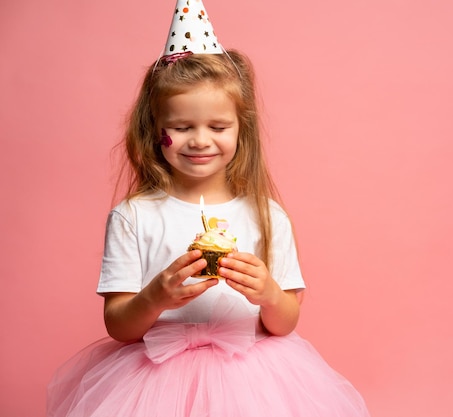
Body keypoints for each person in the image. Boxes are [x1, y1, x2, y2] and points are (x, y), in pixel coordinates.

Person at [46, 1, 370, 416]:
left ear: (241, 129)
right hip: (154, 383)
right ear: (156, 130)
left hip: (253, 382)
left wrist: (268, 293)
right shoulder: (134, 216)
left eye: (218, 127)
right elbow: (119, 327)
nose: (200, 140)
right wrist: (155, 297)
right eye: (181, 128)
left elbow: (286, 321)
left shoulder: (267, 215)